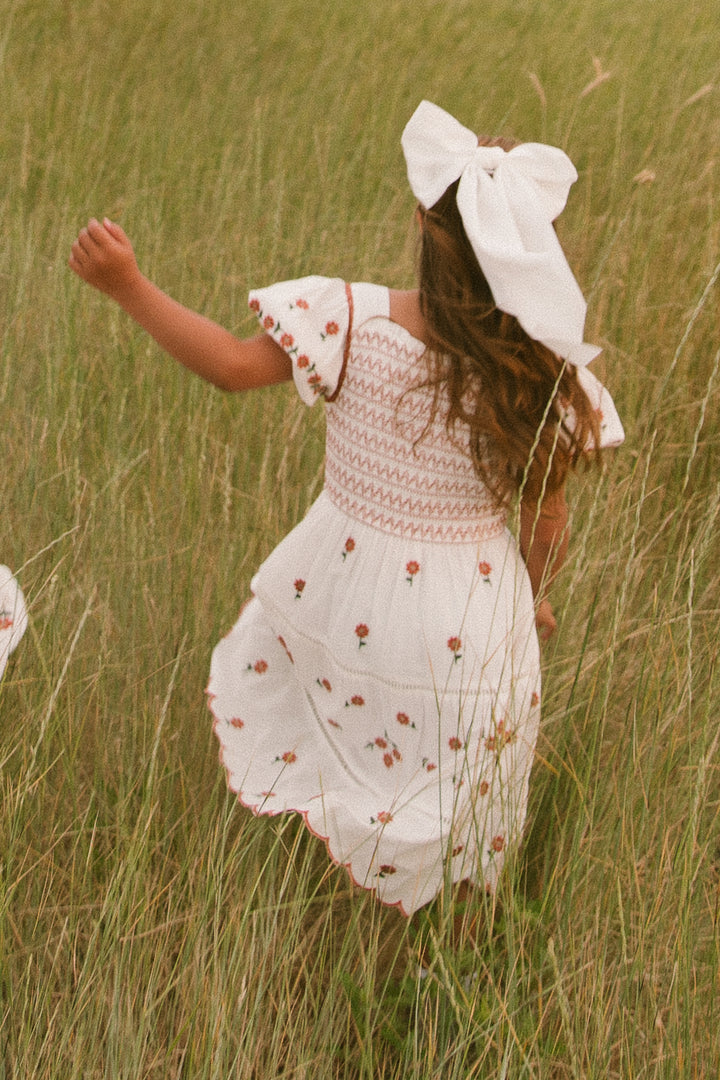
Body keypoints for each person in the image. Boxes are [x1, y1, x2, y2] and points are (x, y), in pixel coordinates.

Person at [69, 100, 623, 919]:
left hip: (342, 599)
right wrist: (532, 594)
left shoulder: (352, 320)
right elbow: (547, 524)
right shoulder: (535, 374)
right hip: (469, 623)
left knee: (335, 750)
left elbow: (226, 366)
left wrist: (129, 286)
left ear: (427, 236)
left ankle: (324, 908)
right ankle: (422, 942)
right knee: (444, 794)